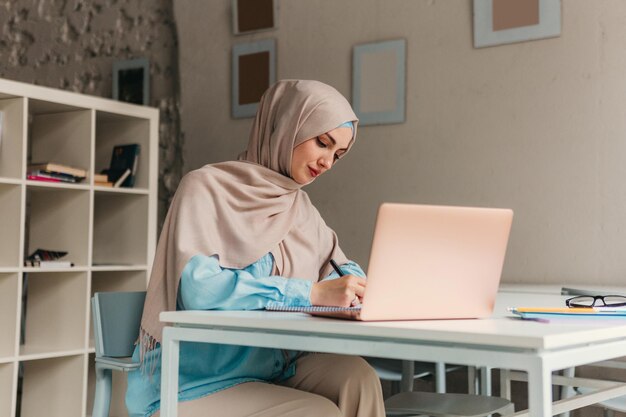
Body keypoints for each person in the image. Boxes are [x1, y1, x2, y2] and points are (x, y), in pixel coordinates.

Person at [126, 79, 386, 417]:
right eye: (323, 143)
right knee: (317, 412)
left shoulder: (299, 207)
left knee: (359, 378)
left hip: (271, 368)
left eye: (337, 154)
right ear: (287, 125)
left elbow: (337, 265)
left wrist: (353, 287)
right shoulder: (205, 188)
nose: (327, 162)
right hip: (192, 381)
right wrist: (311, 294)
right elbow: (199, 290)